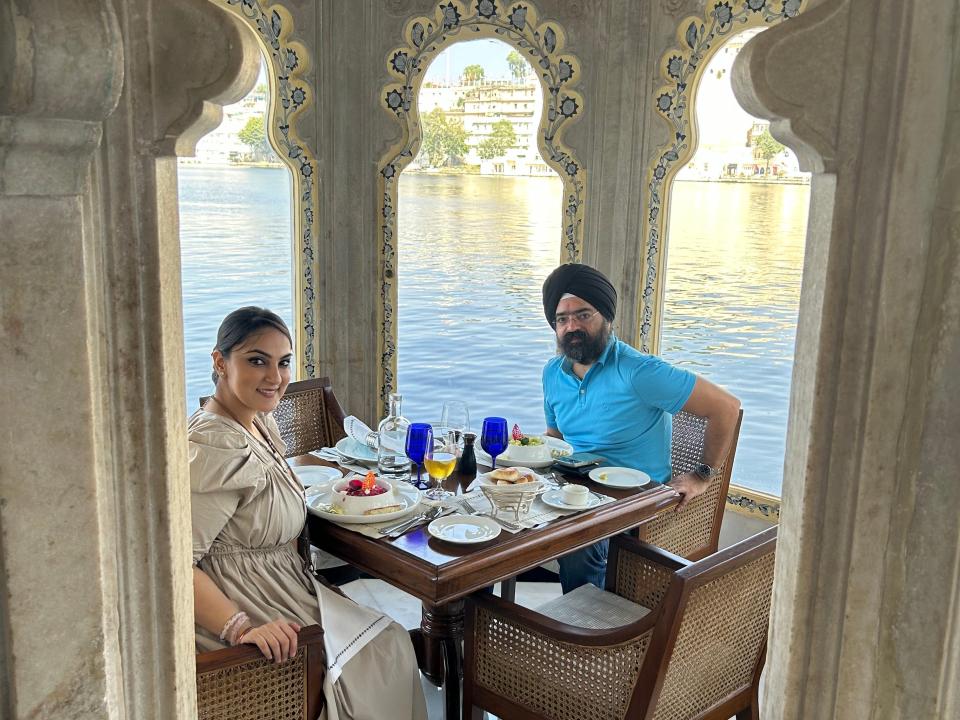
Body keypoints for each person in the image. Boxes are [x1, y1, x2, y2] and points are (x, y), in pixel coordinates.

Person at [190, 306, 426, 720]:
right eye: (256, 360)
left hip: (283, 580)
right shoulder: (214, 445)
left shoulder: (259, 421)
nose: (275, 377)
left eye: (283, 362)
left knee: (391, 641)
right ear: (219, 361)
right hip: (244, 599)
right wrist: (241, 628)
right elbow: (174, 564)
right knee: (387, 647)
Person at [541, 264, 741, 594]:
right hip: (577, 493)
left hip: (636, 504)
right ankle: (470, 626)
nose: (572, 326)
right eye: (562, 319)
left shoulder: (639, 371)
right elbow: (556, 440)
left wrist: (701, 475)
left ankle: (588, 632)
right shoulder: (552, 373)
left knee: (579, 541)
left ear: (606, 317)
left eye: (583, 315)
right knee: (493, 514)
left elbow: (726, 407)